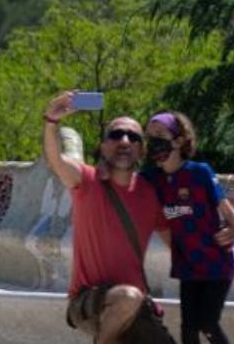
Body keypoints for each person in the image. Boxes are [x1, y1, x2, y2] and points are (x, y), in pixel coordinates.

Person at [42, 91, 170, 344]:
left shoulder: (149, 194)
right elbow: (56, 161)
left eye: (133, 137)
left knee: (134, 303)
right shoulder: (87, 180)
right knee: (128, 298)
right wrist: (51, 122)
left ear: (140, 149)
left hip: (135, 306)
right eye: (115, 135)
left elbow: (178, 237)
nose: (124, 141)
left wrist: (225, 230)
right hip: (88, 301)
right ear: (103, 146)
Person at [142, 111, 234, 344]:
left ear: (178, 140)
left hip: (216, 261)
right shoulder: (151, 179)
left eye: (160, 134)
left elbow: (227, 209)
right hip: (187, 264)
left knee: (207, 323)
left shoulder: (199, 173)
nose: (153, 141)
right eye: (149, 136)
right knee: (188, 327)